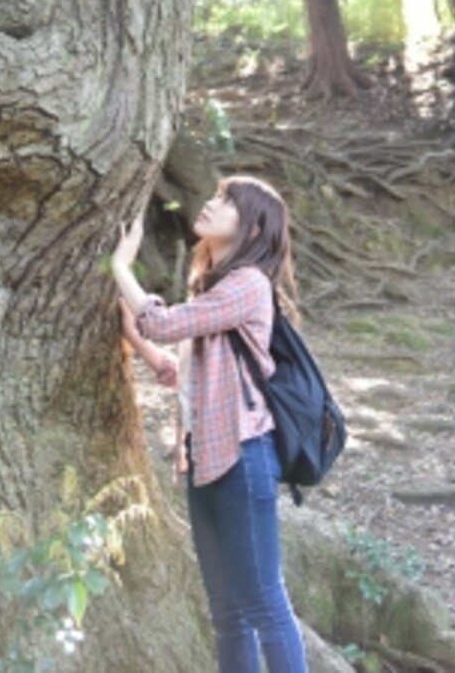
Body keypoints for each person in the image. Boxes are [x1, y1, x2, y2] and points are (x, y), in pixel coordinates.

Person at [111, 176, 309, 673]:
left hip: (244, 457)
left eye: (226, 201)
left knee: (263, 603)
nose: (210, 203)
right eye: (216, 195)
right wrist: (156, 357)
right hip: (208, 458)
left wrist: (120, 266)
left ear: (253, 227)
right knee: (227, 612)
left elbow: (164, 323)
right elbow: (200, 365)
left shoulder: (248, 284)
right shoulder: (213, 285)